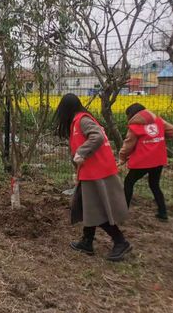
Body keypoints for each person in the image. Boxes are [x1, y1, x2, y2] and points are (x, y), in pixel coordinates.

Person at [55, 93, 131, 261]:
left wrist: (82, 153)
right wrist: (78, 171)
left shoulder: (82, 120)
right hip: (90, 172)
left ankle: (120, 241)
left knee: (97, 209)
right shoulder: (77, 122)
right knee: (86, 206)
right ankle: (87, 241)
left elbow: (97, 136)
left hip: (98, 173)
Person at [118, 103, 173, 221]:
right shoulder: (159, 121)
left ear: (132, 114)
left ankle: (123, 212)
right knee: (154, 185)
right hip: (158, 160)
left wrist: (122, 157)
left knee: (129, 182)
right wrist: (159, 137)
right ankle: (163, 213)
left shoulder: (135, 126)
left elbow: (128, 144)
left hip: (143, 161)